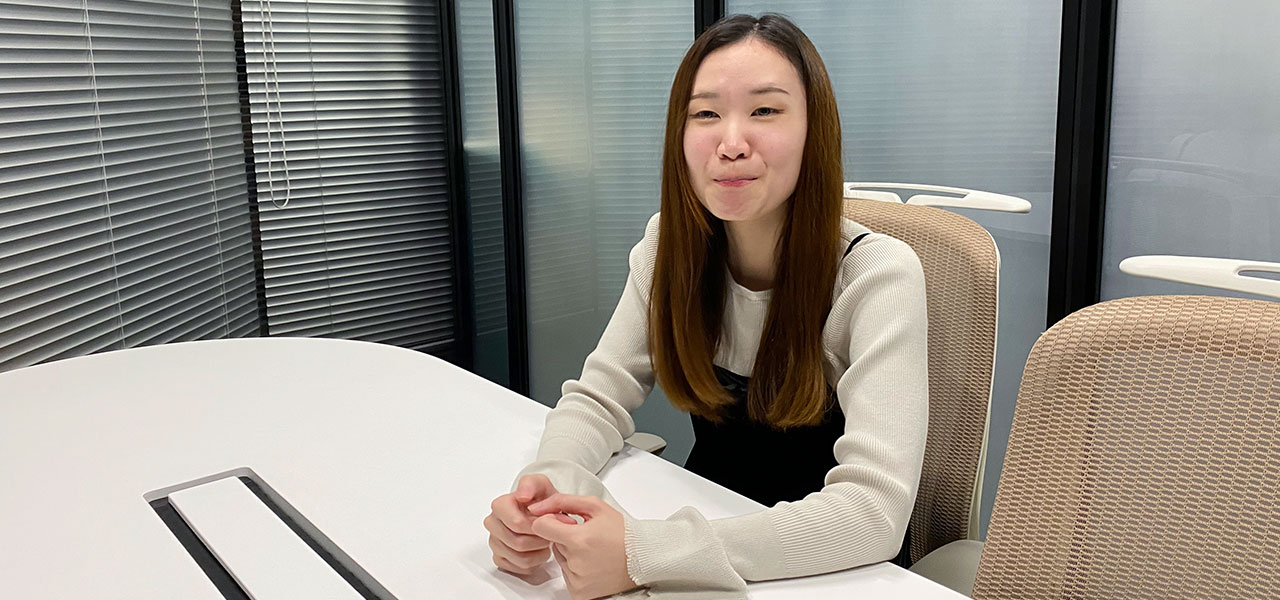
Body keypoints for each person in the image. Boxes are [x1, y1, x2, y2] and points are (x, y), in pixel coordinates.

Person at [482, 13, 928, 600]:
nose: (731, 143)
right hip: (708, 535)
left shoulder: (875, 275)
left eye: (765, 111)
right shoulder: (670, 248)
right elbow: (598, 397)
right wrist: (545, 490)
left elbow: (873, 512)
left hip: (836, 572)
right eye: (706, 114)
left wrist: (646, 552)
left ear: (814, 131)